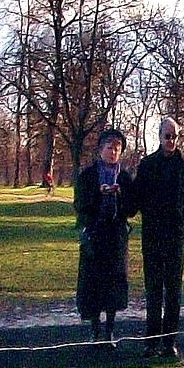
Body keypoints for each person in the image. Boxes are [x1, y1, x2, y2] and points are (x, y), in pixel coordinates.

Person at [133, 117, 184, 359]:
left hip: (175, 238)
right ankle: (151, 340)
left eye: (174, 136)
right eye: (167, 136)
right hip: (152, 236)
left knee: (173, 291)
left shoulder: (182, 166)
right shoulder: (148, 164)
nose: (171, 141)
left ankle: (169, 341)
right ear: (159, 137)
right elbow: (137, 195)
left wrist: (177, 213)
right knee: (153, 291)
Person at [74, 128, 137, 345]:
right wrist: (97, 194)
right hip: (94, 236)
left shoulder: (125, 177)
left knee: (113, 285)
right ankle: (94, 329)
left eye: (117, 149)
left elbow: (131, 209)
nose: (113, 152)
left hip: (116, 238)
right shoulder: (88, 175)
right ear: (101, 149)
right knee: (93, 284)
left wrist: (120, 195)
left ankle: (110, 329)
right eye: (109, 147)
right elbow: (80, 205)